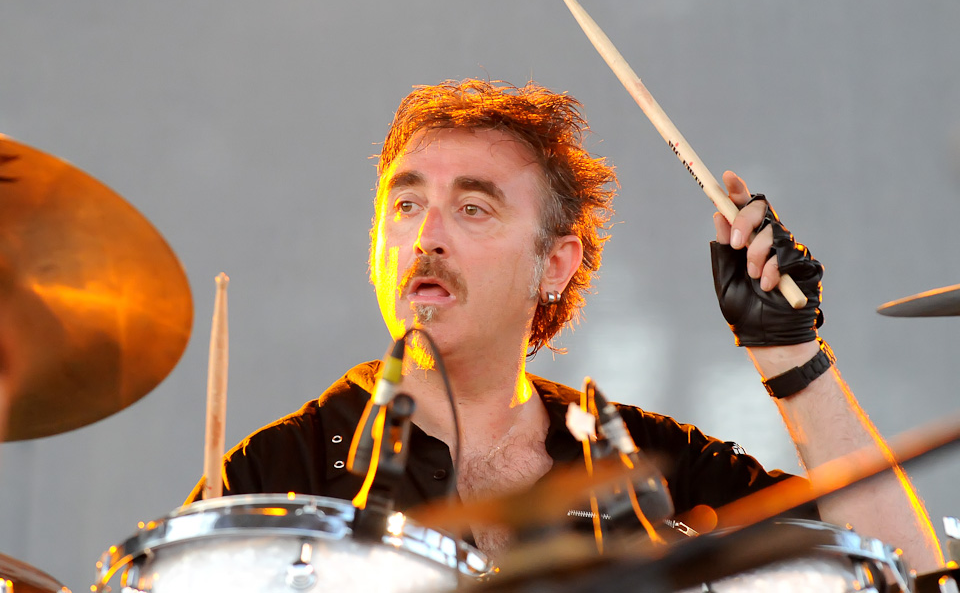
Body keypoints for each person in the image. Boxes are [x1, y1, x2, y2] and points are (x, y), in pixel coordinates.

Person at [186, 79, 943, 572]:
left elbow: (908, 573)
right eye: (406, 205)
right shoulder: (272, 477)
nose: (426, 237)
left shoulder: (655, 466)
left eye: (473, 207)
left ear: (554, 263)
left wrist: (791, 354)